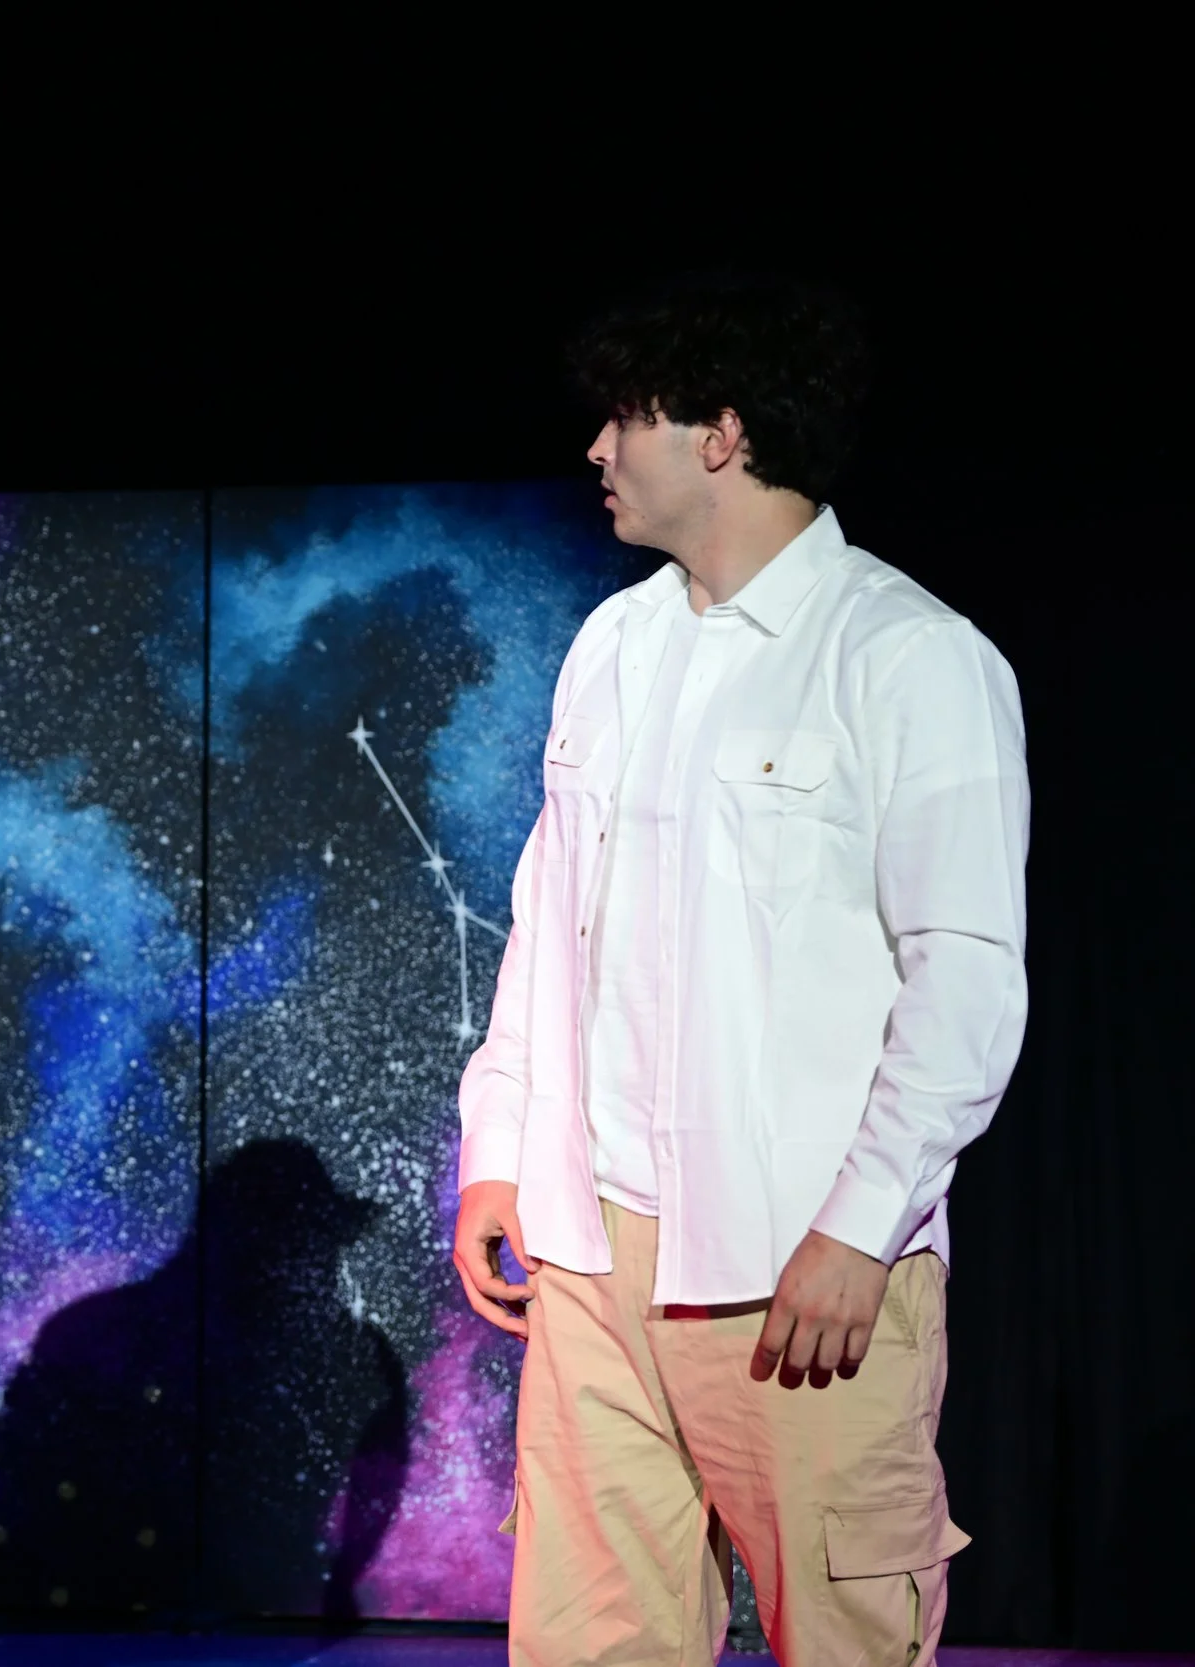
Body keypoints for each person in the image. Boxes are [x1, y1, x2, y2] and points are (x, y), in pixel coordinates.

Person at [451, 278, 1029, 1665]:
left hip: (797, 1262)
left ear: (720, 432)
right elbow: (549, 925)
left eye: (623, 417)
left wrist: (863, 1224)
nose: (596, 450)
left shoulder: (910, 656)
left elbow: (968, 981)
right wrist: (499, 1149)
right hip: (595, 1257)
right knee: (591, 1638)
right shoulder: (612, 648)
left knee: (846, 1634)